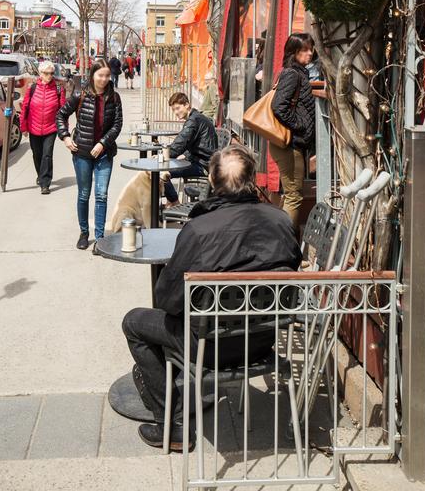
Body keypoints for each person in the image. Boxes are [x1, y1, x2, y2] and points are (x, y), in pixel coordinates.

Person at [122, 145, 301, 451]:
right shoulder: (282, 221)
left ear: (212, 180)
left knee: (134, 322)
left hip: (209, 347)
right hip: (261, 339)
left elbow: (166, 300)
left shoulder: (199, 230)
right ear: (251, 179)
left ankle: (171, 423)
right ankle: (173, 391)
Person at [56, 58, 123, 252]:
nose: (104, 79)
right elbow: (61, 115)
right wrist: (66, 137)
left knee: (101, 195)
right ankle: (84, 232)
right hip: (82, 153)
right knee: (84, 194)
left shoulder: (114, 97)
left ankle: (100, 239)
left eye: (107, 76)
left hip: (104, 154)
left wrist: (103, 143)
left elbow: (117, 124)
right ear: (93, 75)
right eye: (100, 75)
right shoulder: (80, 94)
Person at [270, 34, 316, 230]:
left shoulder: (298, 72)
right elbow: (278, 106)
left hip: (291, 143)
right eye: (304, 49)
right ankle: (286, 248)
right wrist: (300, 125)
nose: (310, 53)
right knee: (294, 196)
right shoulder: (292, 74)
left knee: (290, 195)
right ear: (294, 52)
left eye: (310, 48)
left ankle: (279, 240)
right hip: (290, 144)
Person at [163, 92, 218, 207]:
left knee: (162, 173)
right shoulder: (196, 117)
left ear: (187, 105)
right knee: (167, 167)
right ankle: (170, 201)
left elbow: (180, 143)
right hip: (203, 162)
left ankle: (174, 202)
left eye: (178, 108)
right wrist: (186, 155)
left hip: (203, 166)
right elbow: (198, 143)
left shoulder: (193, 121)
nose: (176, 112)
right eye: (174, 110)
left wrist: (164, 155)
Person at [20, 60, 66, 195]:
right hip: (33, 127)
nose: (49, 76)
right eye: (46, 73)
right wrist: (23, 127)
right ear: (40, 74)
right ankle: (40, 175)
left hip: (51, 128)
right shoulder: (32, 88)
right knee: (37, 155)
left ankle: (45, 183)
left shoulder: (58, 89)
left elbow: (63, 111)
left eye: (51, 73)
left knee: (47, 155)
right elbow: (25, 108)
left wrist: (64, 131)